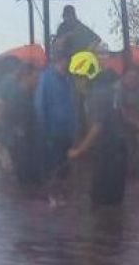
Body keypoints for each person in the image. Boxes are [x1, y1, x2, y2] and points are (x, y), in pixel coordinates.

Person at [66, 51, 128, 205]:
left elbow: (97, 127)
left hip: (107, 152)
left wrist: (79, 150)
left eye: (76, 77)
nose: (75, 83)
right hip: (119, 150)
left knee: (99, 201)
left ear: (84, 76)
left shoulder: (96, 94)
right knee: (114, 201)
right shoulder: (109, 89)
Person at [33, 46, 78, 198]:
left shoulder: (67, 79)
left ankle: (61, 196)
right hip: (52, 132)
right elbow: (40, 105)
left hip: (67, 132)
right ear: (59, 60)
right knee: (54, 167)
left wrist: (74, 129)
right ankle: (52, 197)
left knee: (65, 168)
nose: (66, 63)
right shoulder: (46, 78)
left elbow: (72, 105)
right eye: (64, 60)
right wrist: (44, 132)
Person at [0, 62, 39, 184]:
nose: (37, 81)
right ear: (26, 76)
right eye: (35, 77)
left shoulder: (29, 94)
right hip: (17, 142)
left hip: (23, 141)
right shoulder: (17, 95)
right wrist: (17, 131)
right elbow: (6, 114)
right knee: (22, 176)